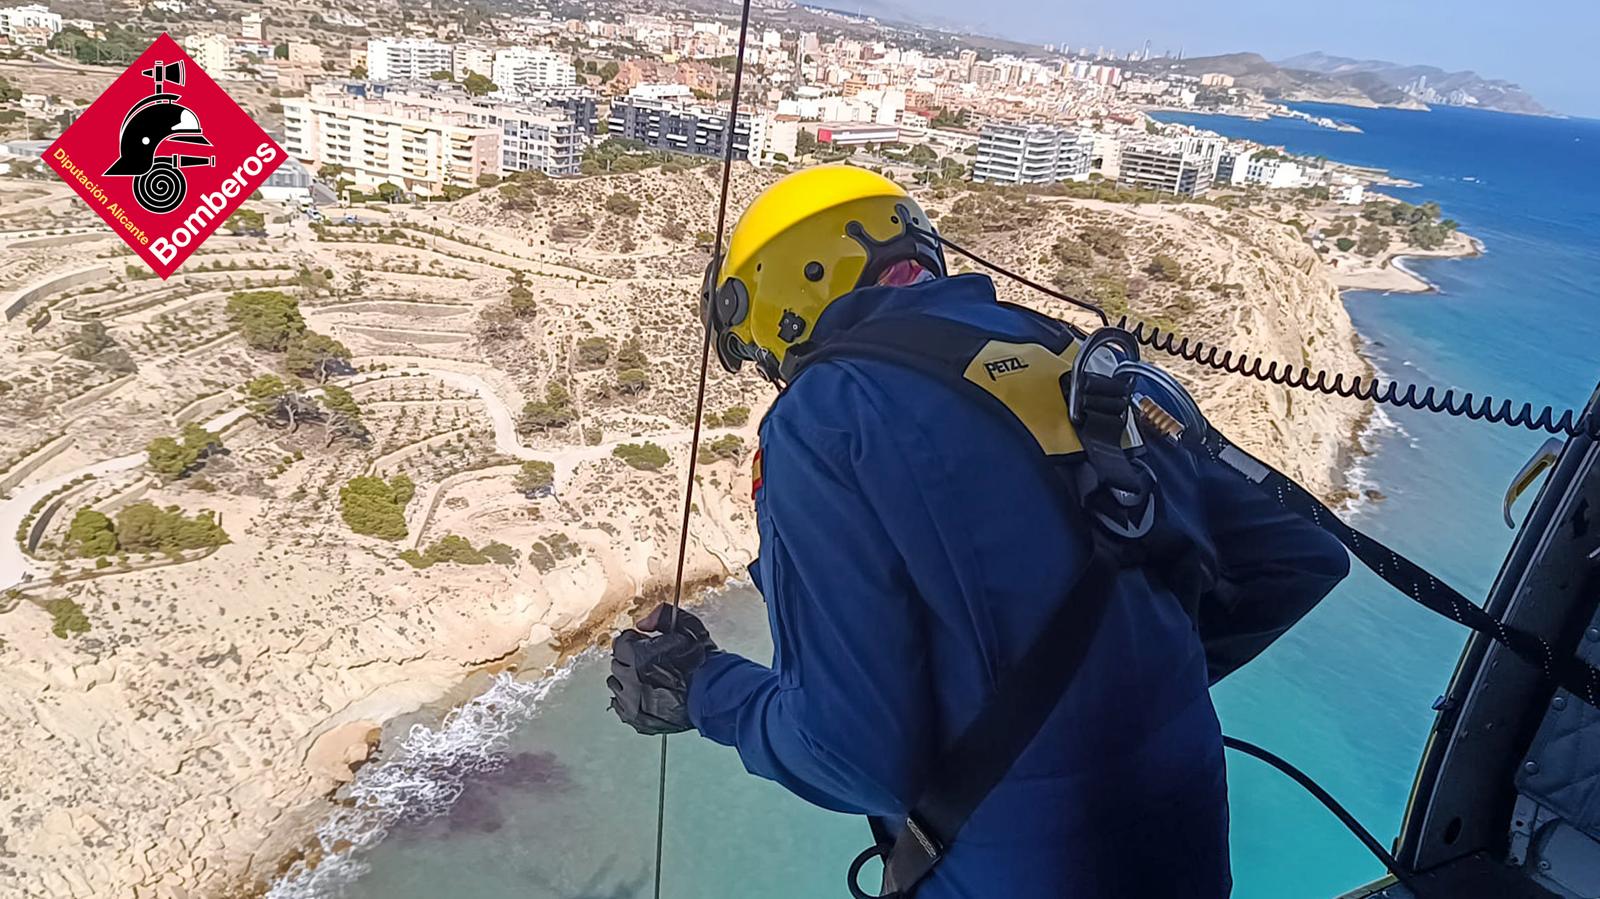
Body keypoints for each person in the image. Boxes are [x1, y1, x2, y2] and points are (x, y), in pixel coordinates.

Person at [607, 167, 1350, 898]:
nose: (778, 377)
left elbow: (850, 754)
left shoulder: (824, 418)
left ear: (776, 310)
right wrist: (1131, 683)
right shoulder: (1069, 356)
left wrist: (703, 689)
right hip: (1188, 850)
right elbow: (1297, 556)